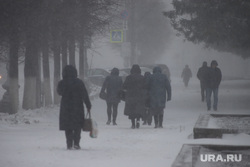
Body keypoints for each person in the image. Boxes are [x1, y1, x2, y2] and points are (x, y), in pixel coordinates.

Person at [57, 65, 91, 150]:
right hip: (77, 106)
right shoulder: (79, 82)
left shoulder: (62, 82)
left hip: (66, 106)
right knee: (77, 125)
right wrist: (88, 105)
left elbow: (59, 92)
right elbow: (84, 94)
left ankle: (69, 143)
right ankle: (76, 143)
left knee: (67, 125)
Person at [123, 64, 145, 129]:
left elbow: (124, 86)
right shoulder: (142, 77)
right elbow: (145, 86)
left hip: (130, 96)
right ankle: (138, 120)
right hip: (139, 96)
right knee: (138, 109)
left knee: (131, 110)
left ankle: (133, 124)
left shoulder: (128, 77)